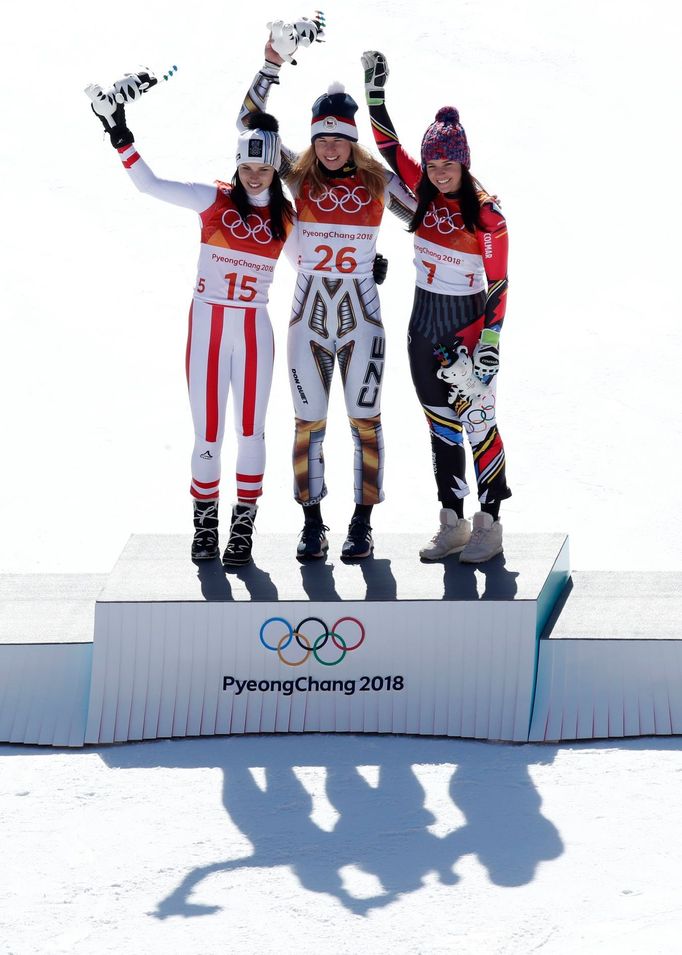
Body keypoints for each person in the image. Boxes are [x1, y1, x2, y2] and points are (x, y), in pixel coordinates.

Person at [86, 72, 294, 565]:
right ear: (238, 165)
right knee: (207, 433)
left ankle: (242, 527)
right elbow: (150, 185)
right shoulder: (215, 199)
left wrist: (366, 263)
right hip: (206, 328)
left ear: (274, 169)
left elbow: (315, 259)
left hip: (252, 330)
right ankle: (204, 526)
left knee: (252, 431)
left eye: (263, 168)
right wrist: (120, 135)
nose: (254, 175)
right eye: (247, 166)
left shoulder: (286, 216)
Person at [238, 21, 417, 562]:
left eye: (340, 138)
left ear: (353, 140)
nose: (332, 147)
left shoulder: (378, 183)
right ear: (313, 139)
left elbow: (430, 211)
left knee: (366, 419)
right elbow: (250, 125)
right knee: (307, 422)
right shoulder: (297, 175)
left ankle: (362, 523)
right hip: (307, 319)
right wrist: (270, 64)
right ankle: (311, 522)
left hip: (362, 319)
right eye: (323, 138)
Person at [361, 51, 512, 564]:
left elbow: (499, 282)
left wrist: (489, 341)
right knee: (439, 425)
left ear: (463, 161)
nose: (440, 173)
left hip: (464, 330)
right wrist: (375, 92)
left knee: (479, 423)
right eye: (433, 165)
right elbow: (386, 145)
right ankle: (453, 521)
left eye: (448, 164)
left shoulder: (486, 212)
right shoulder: (423, 187)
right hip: (422, 325)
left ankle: (490, 524)